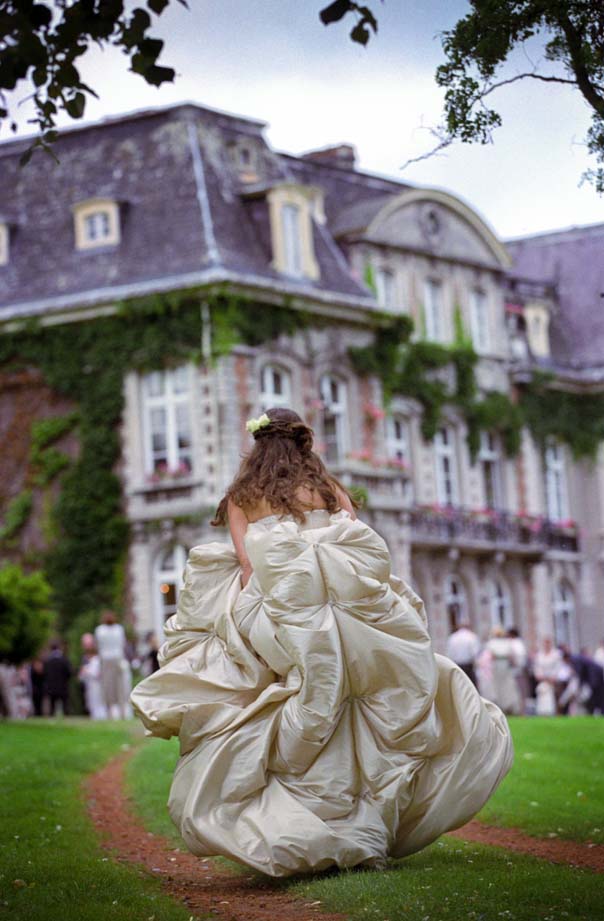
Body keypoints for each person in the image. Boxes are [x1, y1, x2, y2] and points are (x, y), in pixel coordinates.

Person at [131, 407, 513, 877]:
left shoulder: (243, 495)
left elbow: (247, 565)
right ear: (303, 443)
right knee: (366, 707)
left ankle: (303, 818)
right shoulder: (326, 489)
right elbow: (354, 543)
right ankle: (365, 818)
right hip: (350, 608)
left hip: (284, 610)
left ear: (257, 446)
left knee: (289, 697)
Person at [94, 610, 129, 719]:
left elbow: (98, 647)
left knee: (108, 686)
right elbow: (123, 644)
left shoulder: (100, 630)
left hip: (106, 659)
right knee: (119, 686)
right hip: (117, 658)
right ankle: (122, 711)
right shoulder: (119, 629)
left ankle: (110, 712)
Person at [481, 626, 522, 715]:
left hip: (498, 667)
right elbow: (512, 657)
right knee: (505, 687)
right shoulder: (507, 643)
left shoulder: (491, 643)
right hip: (503, 666)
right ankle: (506, 706)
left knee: (501, 687)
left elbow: (488, 658)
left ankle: (503, 706)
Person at [562, 649, 604, 715]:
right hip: (596, 673)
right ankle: (597, 711)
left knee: (597, 695)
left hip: (595, 675)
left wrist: (579, 686)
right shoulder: (576, 658)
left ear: (565, 658)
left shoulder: (574, 660)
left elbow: (580, 674)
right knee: (599, 694)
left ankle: (595, 711)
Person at [446, 620, 480, 686]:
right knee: (471, 685)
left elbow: (449, 653)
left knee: (461, 684)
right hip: (468, 664)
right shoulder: (471, 636)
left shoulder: (453, 637)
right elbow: (475, 652)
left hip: (458, 664)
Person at [43, 642, 72, 716]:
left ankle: (51, 719)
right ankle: (67, 719)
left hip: (51, 687)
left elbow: (44, 674)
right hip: (63, 686)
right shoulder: (64, 660)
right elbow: (69, 672)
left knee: (52, 707)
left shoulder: (48, 661)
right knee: (65, 706)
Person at [507, 627, 529, 715]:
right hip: (518, 670)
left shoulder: (515, 643)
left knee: (518, 691)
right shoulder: (519, 643)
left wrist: (513, 663)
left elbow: (518, 659)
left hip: (516, 671)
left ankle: (520, 710)